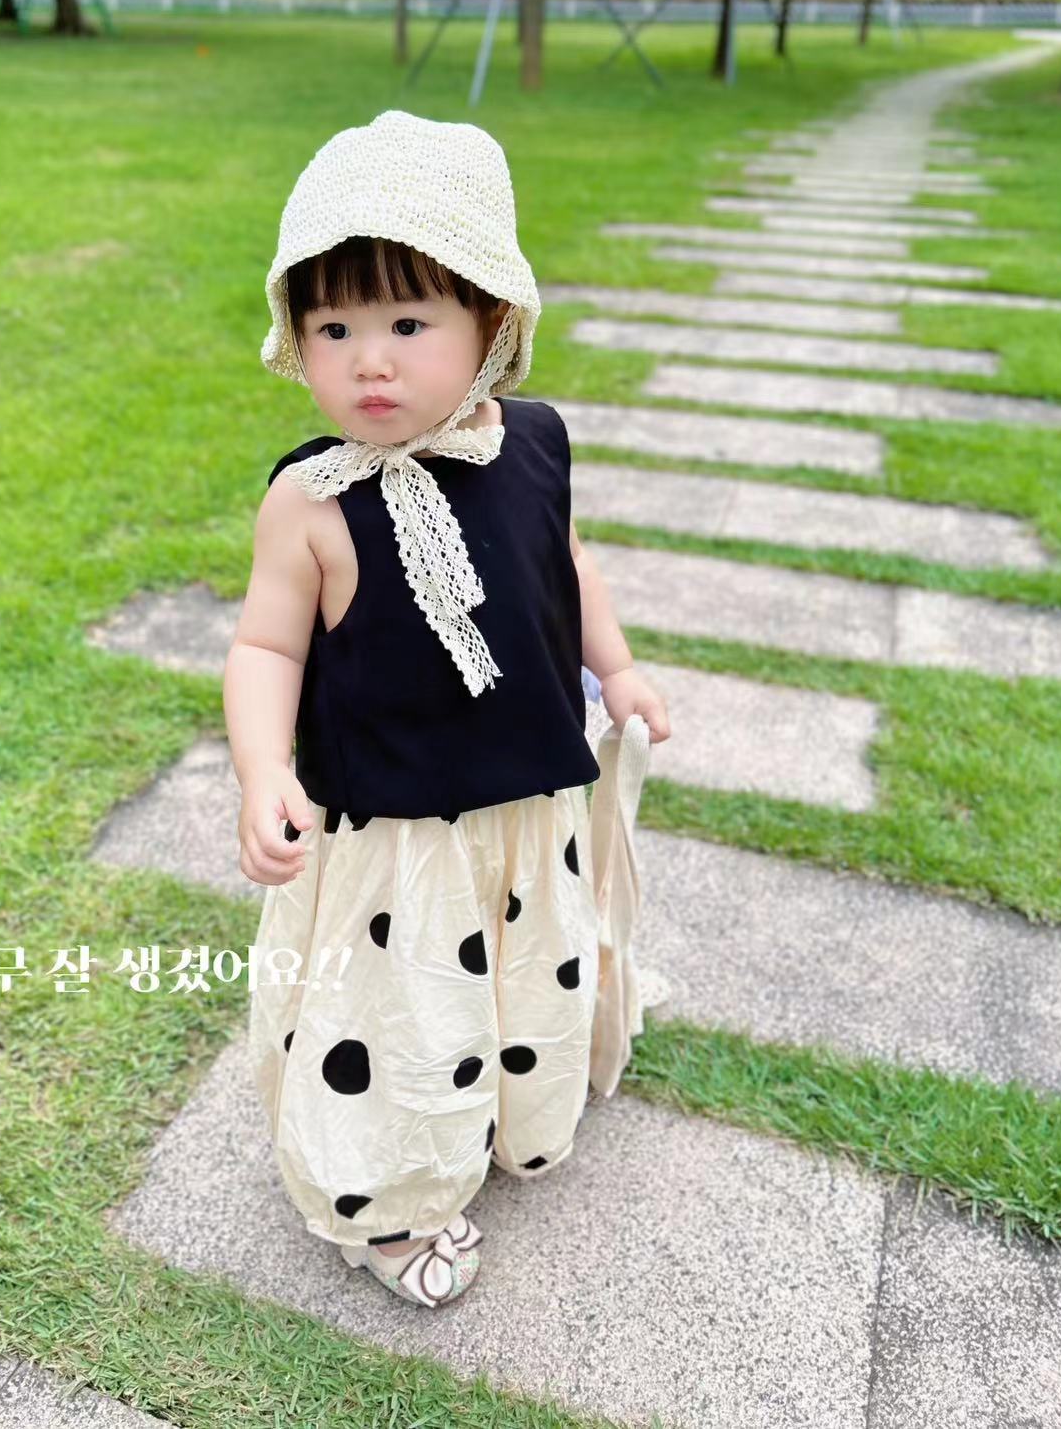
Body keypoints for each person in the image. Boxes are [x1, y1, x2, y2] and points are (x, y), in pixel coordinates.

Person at [224, 109, 670, 1310]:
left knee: (521, 974)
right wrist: (264, 769)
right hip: (396, 834)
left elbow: (564, 567)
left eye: (407, 324)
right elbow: (264, 645)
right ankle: (389, 1199)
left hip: (527, 802)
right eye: (333, 328)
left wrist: (617, 668)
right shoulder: (312, 502)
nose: (368, 362)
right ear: (296, 338)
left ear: (490, 324)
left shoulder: (534, 445)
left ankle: (515, 1101)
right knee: (402, 1016)